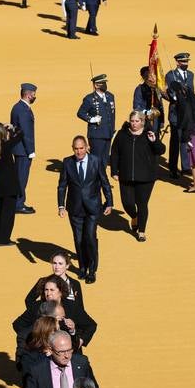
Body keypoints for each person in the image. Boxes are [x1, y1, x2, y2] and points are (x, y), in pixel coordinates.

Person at [58, 135, 113, 284]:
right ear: (72, 149)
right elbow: (62, 185)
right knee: (78, 239)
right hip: (75, 208)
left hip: (93, 207)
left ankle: (92, 270)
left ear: (87, 147)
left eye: (81, 148)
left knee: (89, 237)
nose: (79, 151)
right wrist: (61, 206)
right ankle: (82, 267)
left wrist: (109, 202)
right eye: (76, 149)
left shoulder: (96, 161)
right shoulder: (67, 162)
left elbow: (104, 182)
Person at [109, 110, 165, 242]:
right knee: (127, 203)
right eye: (132, 121)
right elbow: (115, 152)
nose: (134, 124)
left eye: (137, 121)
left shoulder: (149, 134)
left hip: (146, 177)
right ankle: (134, 217)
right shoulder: (122, 134)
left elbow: (161, 150)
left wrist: (154, 141)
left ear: (142, 122)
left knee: (142, 204)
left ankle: (141, 231)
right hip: (126, 175)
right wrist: (114, 171)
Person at [165, 53, 195, 178]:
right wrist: (177, 97)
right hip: (176, 112)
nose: (185, 64)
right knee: (175, 140)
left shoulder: (191, 75)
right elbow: (170, 92)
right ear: (177, 62)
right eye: (183, 62)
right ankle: (172, 167)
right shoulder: (171, 75)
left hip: (187, 112)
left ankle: (186, 167)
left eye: (187, 61)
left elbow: (192, 91)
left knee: (186, 138)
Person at [77, 74, 116, 168]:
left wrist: (112, 129)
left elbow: (112, 114)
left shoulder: (110, 96)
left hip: (108, 133)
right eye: (102, 83)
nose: (105, 85)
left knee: (104, 160)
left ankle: (101, 180)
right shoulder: (89, 99)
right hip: (96, 134)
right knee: (96, 159)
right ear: (96, 85)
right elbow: (80, 113)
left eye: (105, 83)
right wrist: (91, 119)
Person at [10, 82, 37, 214]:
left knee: (19, 176)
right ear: (28, 95)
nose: (34, 96)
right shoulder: (23, 110)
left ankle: (17, 201)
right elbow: (25, 132)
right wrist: (30, 150)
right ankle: (18, 204)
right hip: (23, 150)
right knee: (21, 177)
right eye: (33, 94)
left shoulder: (17, 107)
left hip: (18, 149)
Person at [132, 66, 165, 136]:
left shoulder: (157, 89)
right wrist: (147, 112)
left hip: (156, 122)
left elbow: (160, 106)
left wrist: (162, 120)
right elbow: (136, 107)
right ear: (144, 77)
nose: (152, 77)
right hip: (145, 122)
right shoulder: (140, 89)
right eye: (150, 75)